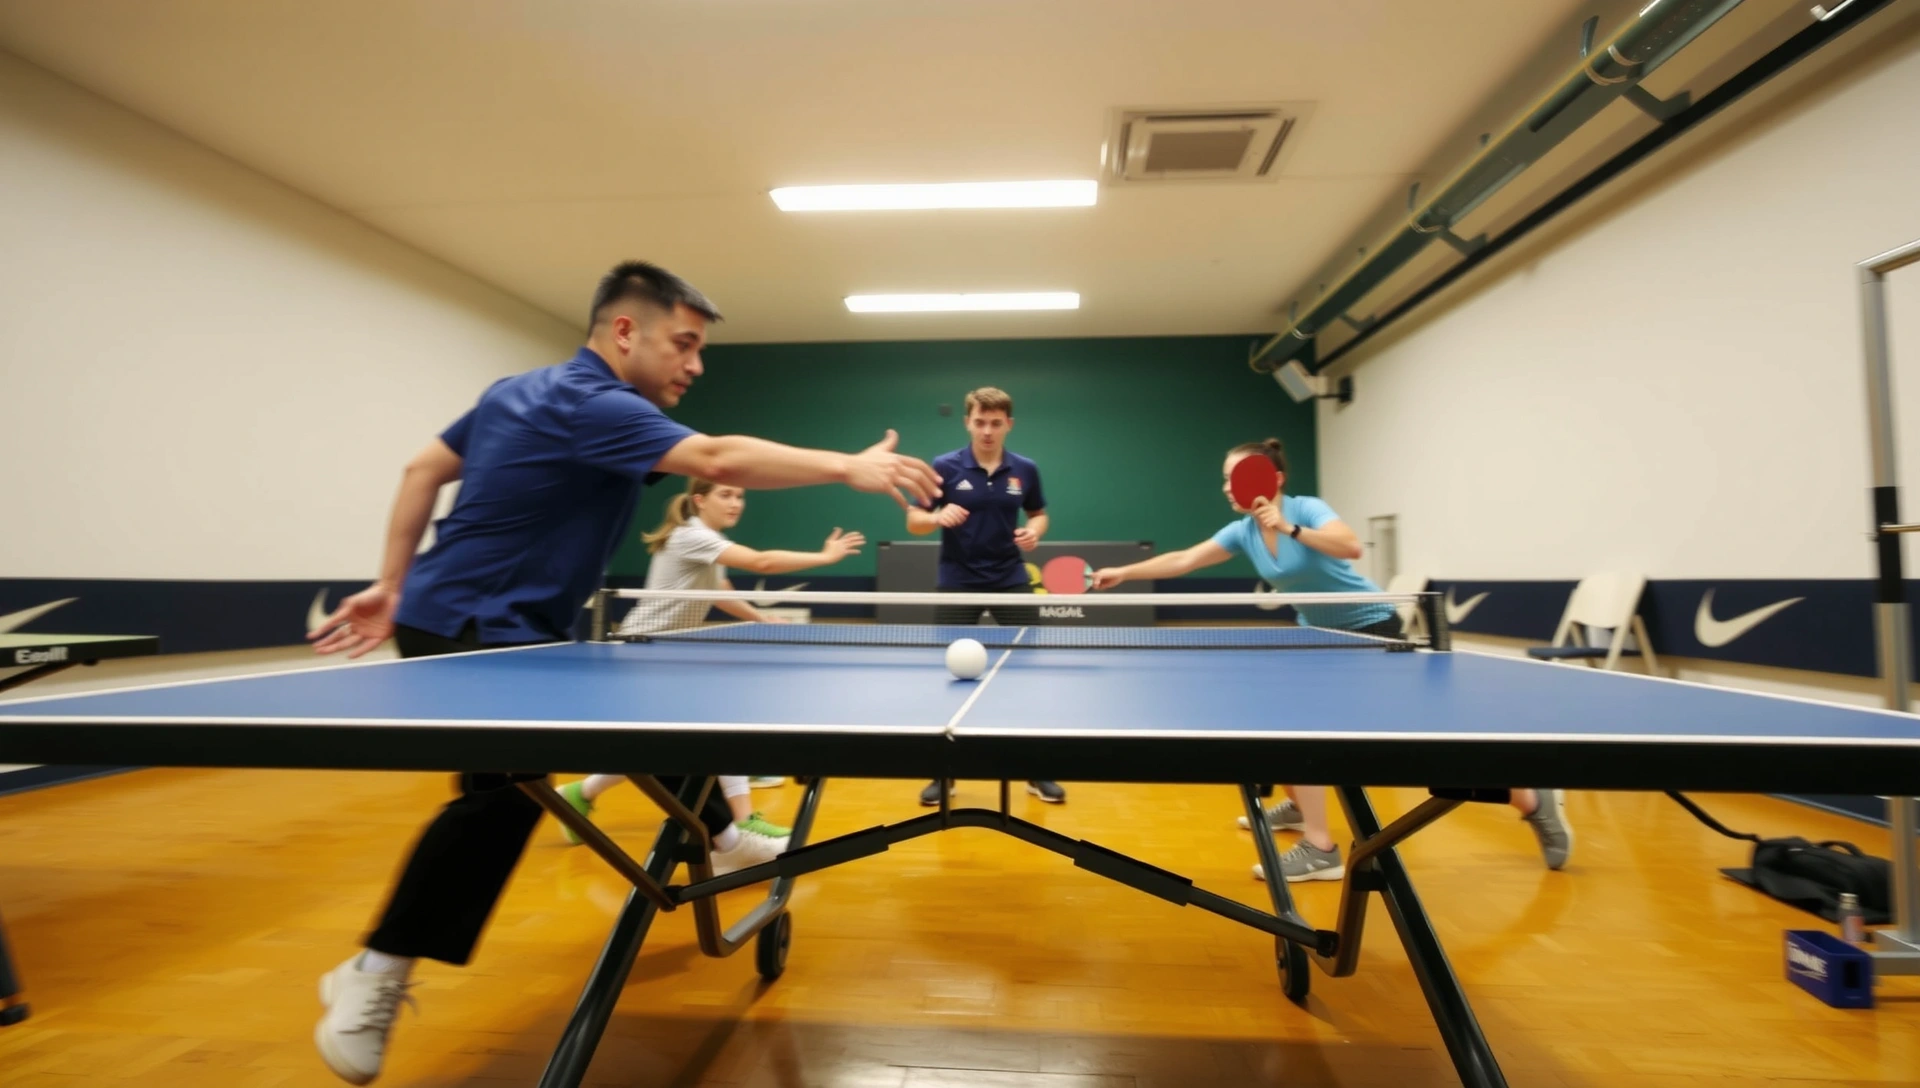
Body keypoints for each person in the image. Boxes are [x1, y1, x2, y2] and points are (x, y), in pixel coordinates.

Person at [303, 260, 939, 1086]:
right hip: (480, 624)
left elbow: (423, 470)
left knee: (641, 711)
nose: (696, 363)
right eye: (685, 343)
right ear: (624, 332)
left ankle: (717, 827)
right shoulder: (595, 403)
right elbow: (715, 455)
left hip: (478, 617)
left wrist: (392, 582)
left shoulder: (515, 391)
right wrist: (843, 466)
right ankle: (377, 969)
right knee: (501, 795)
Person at [1091, 438, 1571, 883]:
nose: (1227, 488)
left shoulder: (1306, 509)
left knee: (1415, 744)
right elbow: (1185, 560)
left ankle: (1529, 798)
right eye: (1224, 479)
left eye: (1237, 477)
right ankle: (1312, 829)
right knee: (1283, 721)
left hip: (1373, 632)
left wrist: (1292, 528)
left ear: (1273, 479)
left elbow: (1351, 546)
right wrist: (1124, 572)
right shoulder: (1244, 531)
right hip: (1319, 637)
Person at [552, 478, 867, 843]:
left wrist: (761, 618)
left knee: (661, 744)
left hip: (665, 651)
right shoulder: (691, 536)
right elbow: (760, 561)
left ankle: (582, 794)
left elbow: (720, 592)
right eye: (726, 495)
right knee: (712, 726)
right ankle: (742, 820)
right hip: (642, 649)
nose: (736, 503)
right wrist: (825, 558)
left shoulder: (706, 538)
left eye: (740, 495)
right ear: (699, 500)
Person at [905, 386, 1062, 806]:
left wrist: (1035, 532)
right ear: (967, 422)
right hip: (958, 580)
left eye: (996, 423)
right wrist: (937, 516)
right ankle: (943, 773)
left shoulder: (1024, 469)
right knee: (948, 677)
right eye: (980, 422)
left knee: (1030, 670)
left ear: (1008, 424)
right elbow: (914, 520)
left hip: (1010, 578)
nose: (987, 431)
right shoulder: (945, 467)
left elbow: (1040, 513)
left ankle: (1035, 769)